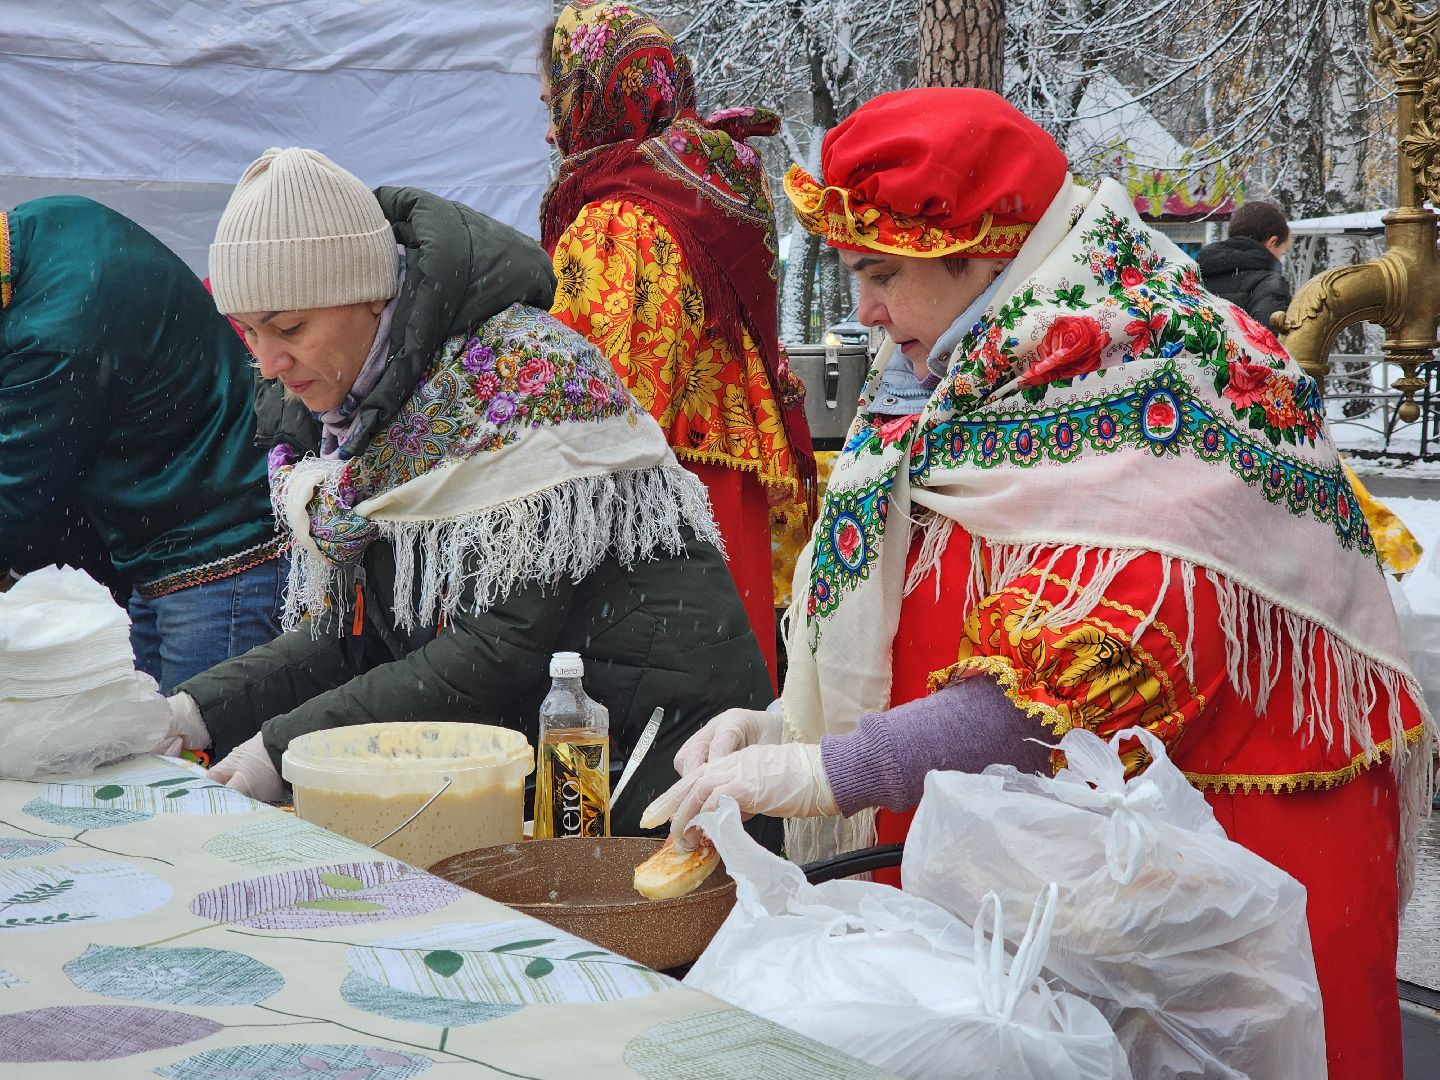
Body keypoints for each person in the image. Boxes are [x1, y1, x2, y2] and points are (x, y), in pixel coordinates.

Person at [642, 89, 1432, 1079]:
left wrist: (825, 772)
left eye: (882, 274)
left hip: (1220, 895)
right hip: (1079, 884)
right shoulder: (991, 371)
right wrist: (784, 725)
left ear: (986, 254)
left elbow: (1078, 674)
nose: (864, 313)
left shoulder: (1164, 383)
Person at [165, 147, 773, 836]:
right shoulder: (362, 421)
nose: (269, 363)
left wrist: (282, 748)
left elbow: (497, 647)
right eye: (249, 333)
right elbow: (357, 639)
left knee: (647, 940)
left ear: (369, 289)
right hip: (566, 748)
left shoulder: (518, 382)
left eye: (290, 327)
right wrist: (191, 712)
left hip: (665, 749)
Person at [539, 1, 816, 686]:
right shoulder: (697, 183)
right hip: (724, 495)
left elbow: (590, 417)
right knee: (731, 724)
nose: (549, 132)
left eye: (556, 102)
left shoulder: (619, 222)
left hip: (661, 517)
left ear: (599, 97)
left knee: (667, 732)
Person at [0, 196, 284, 693]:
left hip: (217, 555)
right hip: (182, 530)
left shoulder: (56, 335)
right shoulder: (54, 219)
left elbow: (14, 497)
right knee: (155, 750)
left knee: (200, 763)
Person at [1195, 200, 1293, 327]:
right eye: (1282, 253)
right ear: (1272, 242)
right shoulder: (1271, 285)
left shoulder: (1194, 275)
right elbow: (1270, 341)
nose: (1280, 259)